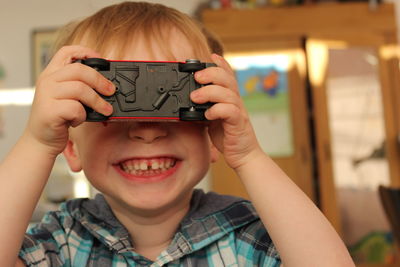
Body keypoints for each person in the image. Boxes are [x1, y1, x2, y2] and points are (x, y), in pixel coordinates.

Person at [0, 2, 355, 266]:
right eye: (110, 101)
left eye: (178, 100)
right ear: (71, 149)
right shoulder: (61, 239)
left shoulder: (250, 233)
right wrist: (38, 143)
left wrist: (249, 156)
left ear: (211, 135)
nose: (148, 131)